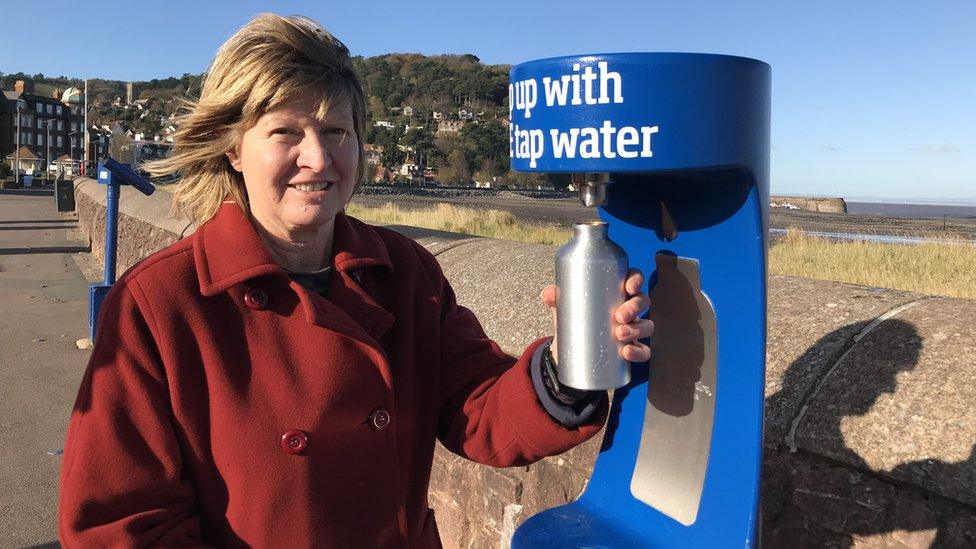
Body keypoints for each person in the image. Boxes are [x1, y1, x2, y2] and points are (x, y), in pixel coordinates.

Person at [58, 14, 653, 548]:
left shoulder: (405, 271)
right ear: (234, 149)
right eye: (285, 132)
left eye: (336, 132)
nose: (318, 158)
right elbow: (119, 524)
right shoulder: (163, 303)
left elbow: (477, 410)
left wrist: (564, 368)